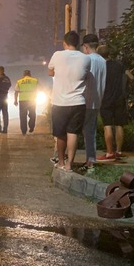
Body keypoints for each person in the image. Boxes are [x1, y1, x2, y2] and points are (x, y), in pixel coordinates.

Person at [48, 31, 91, 172]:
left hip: (60, 102)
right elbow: (85, 75)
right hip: (78, 102)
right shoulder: (86, 59)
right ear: (78, 44)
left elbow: (50, 72)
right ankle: (69, 165)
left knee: (60, 134)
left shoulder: (57, 55)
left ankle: (60, 162)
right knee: (73, 133)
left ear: (64, 43)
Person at [97, 44, 131, 161]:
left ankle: (109, 153)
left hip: (105, 99)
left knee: (107, 126)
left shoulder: (100, 66)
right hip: (119, 98)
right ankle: (119, 151)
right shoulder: (119, 64)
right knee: (119, 125)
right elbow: (131, 77)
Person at [80, 34, 107, 169]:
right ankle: (91, 159)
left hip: (84, 100)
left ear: (85, 47)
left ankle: (69, 159)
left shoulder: (86, 60)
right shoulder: (103, 61)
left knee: (75, 130)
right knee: (91, 131)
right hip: (97, 101)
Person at [13, 69, 38, 135]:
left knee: (23, 116)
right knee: (32, 114)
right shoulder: (35, 80)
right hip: (32, 100)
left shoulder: (19, 81)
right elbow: (38, 89)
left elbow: (16, 92)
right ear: (30, 74)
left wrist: (15, 100)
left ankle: (24, 131)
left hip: (22, 100)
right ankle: (31, 126)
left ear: (24, 75)